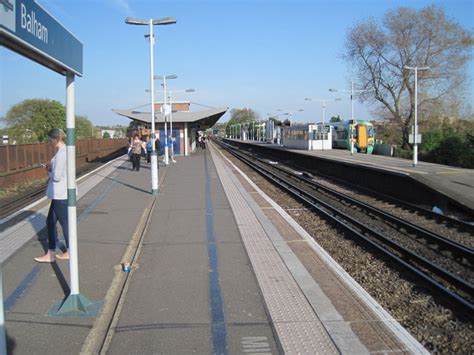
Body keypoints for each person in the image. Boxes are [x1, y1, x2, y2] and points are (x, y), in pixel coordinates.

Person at [35, 128, 70, 263]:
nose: (49, 142)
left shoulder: (62, 154)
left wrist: (48, 170)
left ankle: (66, 252)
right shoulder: (63, 151)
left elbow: (56, 177)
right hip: (60, 194)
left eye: (50, 140)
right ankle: (52, 253)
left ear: (55, 139)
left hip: (60, 194)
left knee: (65, 223)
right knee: (50, 222)